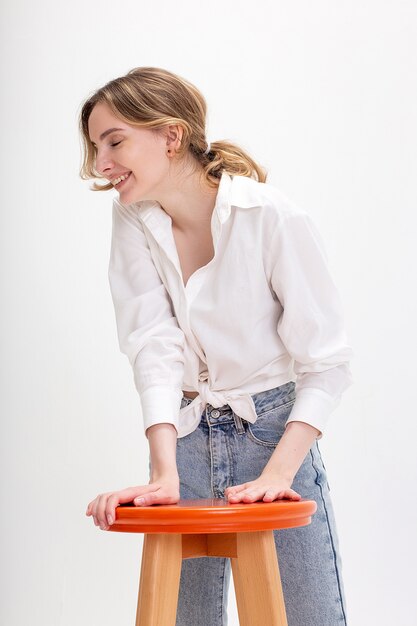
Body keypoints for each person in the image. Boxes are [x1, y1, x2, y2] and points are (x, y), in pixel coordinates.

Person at [80, 66, 353, 626]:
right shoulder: (133, 218)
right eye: (93, 147)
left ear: (171, 135)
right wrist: (163, 475)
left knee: (309, 619)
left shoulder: (270, 216)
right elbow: (151, 344)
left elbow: (326, 363)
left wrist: (279, 474)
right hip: (185, 433)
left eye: (114, 141)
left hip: (274, 434)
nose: (99, 164)